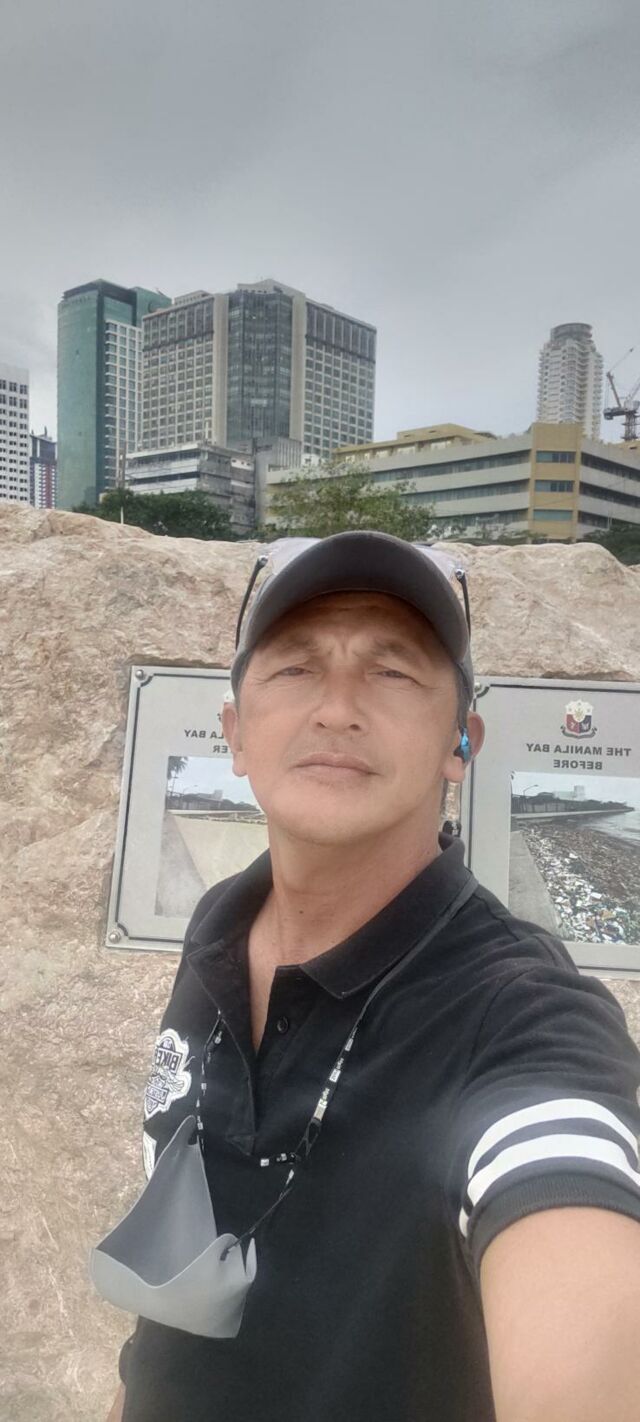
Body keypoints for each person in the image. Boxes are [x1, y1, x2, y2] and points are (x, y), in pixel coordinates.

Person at [101, 531, 640, 1422]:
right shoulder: (221, 930)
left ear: (460, 744)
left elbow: (563, 1212)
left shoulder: (525, 1021)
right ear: (235, 734)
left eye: (392, 671)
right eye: (295, 667)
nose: (338, 708)